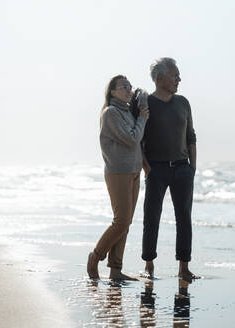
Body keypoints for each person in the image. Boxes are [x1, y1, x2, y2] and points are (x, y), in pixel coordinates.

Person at [87, 75, 150, 280]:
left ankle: (115, 270)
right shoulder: (111, 113)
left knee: (126, 222)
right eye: (123, 87)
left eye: (129, 87)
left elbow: (138, 142)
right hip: (118, 172)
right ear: (112, 91)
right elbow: (132, 139)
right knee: (121, 221)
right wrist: (142, 118)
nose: (128, 90)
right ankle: (95, 256)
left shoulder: (128, 112)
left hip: (133, 172)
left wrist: (144, 165)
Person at [141, 57, 198, 282]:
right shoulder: (146, 104)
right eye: (175, 75)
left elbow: (191, 135)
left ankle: (184, 268)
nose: (179, 79)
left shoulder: (183, 102)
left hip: (183, 170)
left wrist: (193, 167)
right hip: (156, 170)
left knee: (184, 217)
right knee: (151, 217)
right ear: (160, 78)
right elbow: (139, 139)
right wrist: (147, 169)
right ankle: (148, 265)